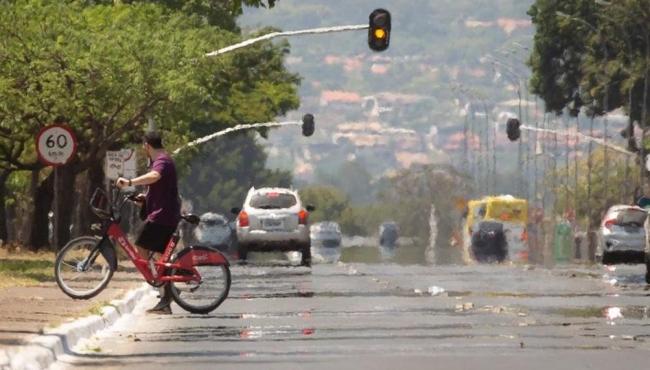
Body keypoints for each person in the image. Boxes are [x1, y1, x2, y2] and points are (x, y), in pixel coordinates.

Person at [116, 131, 180, 315]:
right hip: (164, 214)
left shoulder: (162, 161)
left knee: (141, 245)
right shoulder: (162, 160)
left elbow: (154, 176)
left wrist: (130, 182)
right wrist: (145, 198)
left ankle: (158, 282)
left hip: (162, 216)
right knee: (161, 257)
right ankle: (165, 292)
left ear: (147, 145)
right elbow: (160, 188)